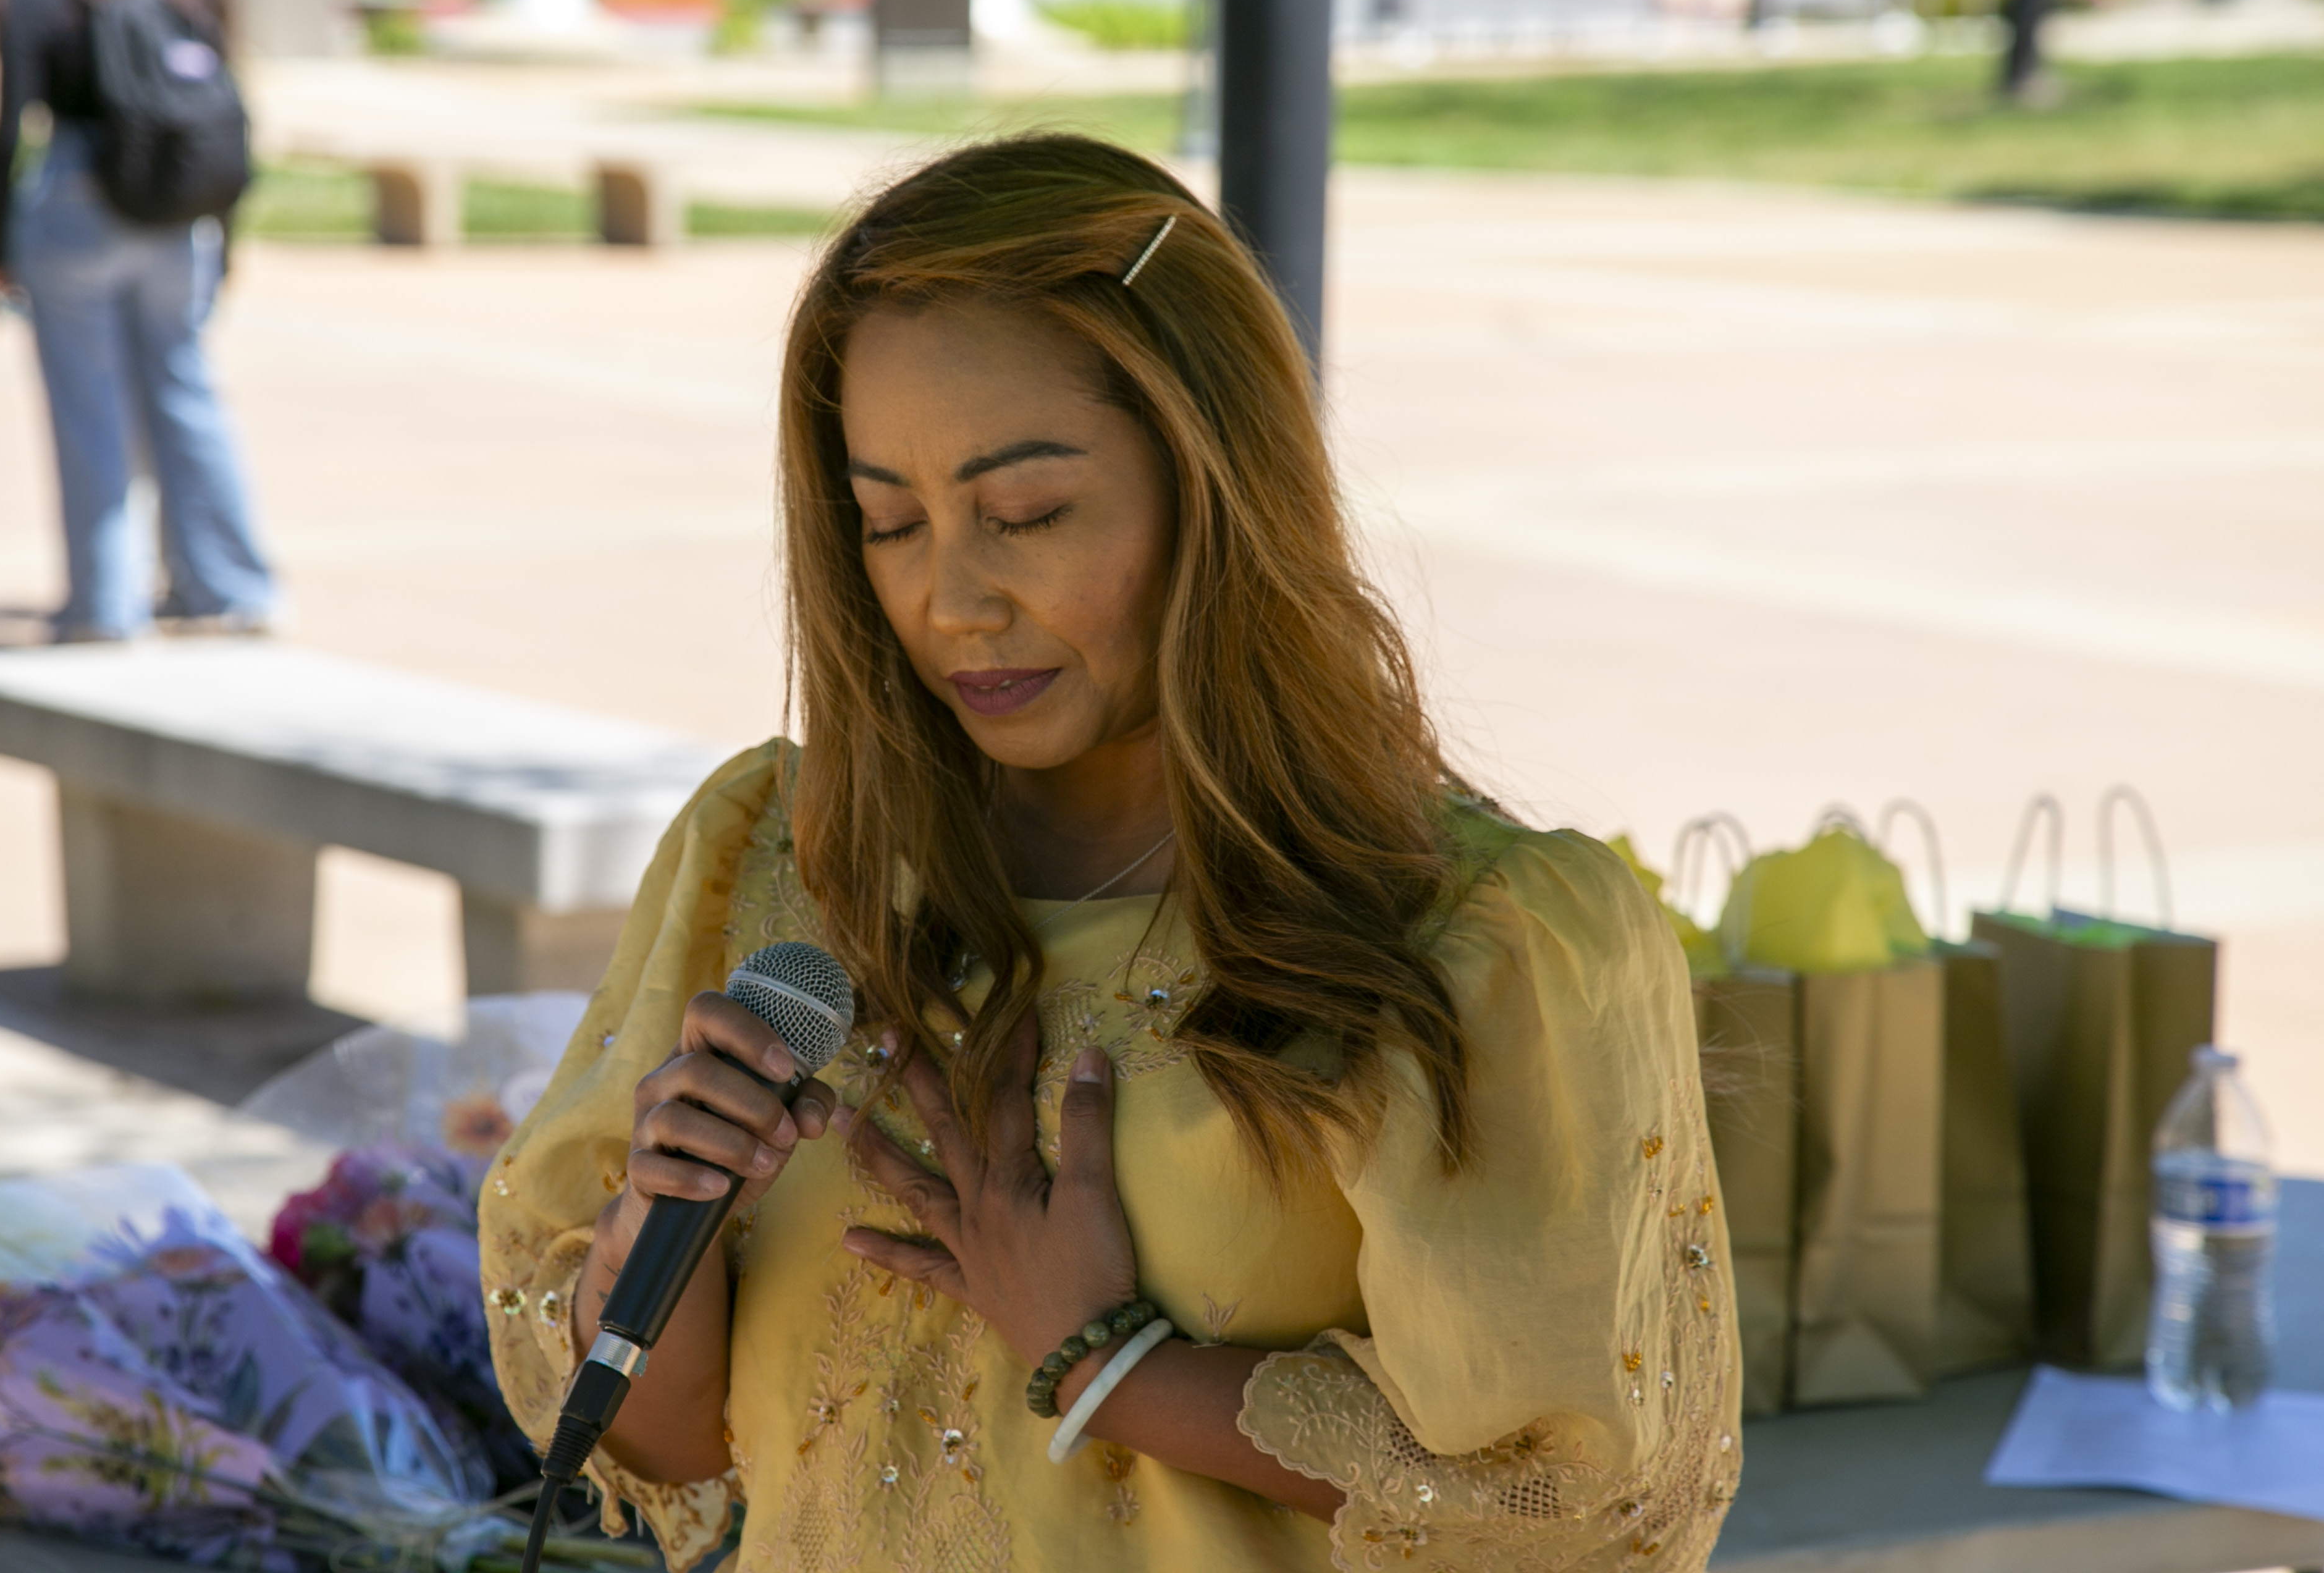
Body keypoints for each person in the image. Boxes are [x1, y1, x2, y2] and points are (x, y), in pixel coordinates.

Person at [482, 134, 1741, 1573]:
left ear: (1213, 476)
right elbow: (667, 1448)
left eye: (1025, 513)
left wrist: (1110, 1359)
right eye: (888, 520)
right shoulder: (777, 855)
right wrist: (665, 1212)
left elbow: (1583, 1497)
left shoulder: (1479, 934)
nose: (952, 596)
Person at [0, 0, 278, 643]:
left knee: (91, 411)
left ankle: (105, 606)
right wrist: (226, 235)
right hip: (181, 218)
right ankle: (231, 585)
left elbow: (9, 126)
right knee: (185, 391)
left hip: (79, 205)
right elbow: (226, 109)